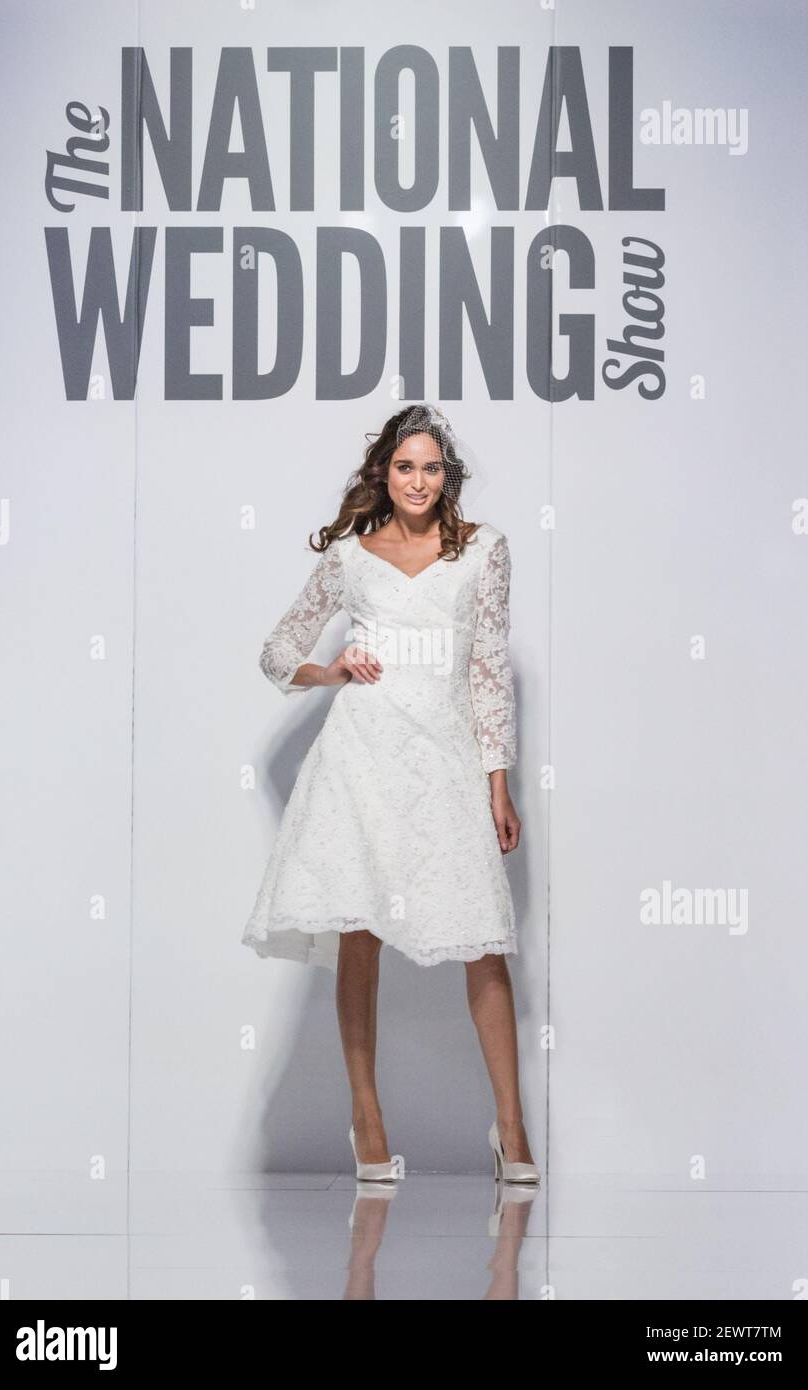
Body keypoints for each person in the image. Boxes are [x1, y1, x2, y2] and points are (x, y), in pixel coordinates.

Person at [242, 404, 539, 1185]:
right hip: (361, 757)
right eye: (404, 467)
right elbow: (277, 650)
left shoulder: (483, 552)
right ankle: (366, 1116)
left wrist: (497, 784)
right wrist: (330, 671)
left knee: (481, 938)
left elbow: (488, 673)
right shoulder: (349, 557)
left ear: (449, 477)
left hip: (444, 759)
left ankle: (511, 1126)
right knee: (360, 928)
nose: (417, 480)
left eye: (431, 468)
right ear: (384, 472)